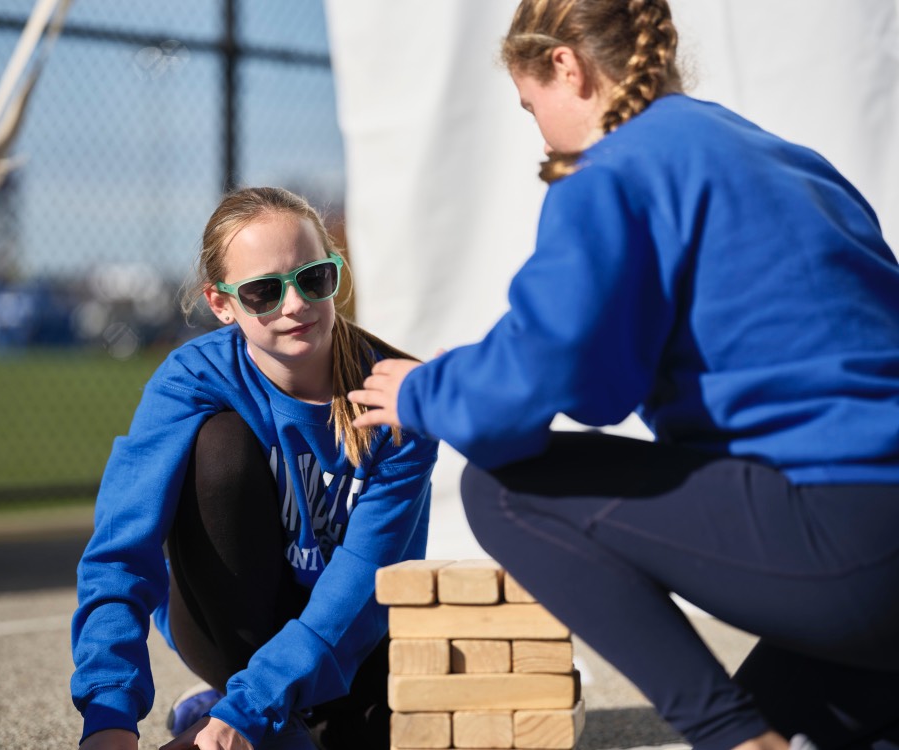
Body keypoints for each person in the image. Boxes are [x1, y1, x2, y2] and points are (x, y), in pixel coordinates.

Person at [347, 1, 899, 749]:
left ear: (566, 67)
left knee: (504, 491)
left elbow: (530, 384)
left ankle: (734, 738)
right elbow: (604, 387)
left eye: (530, 104)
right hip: (873, 564)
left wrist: (424, 390)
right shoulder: (781, 157)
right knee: (795, 711)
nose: (537, 130)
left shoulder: (614, 170)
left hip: (846, 541)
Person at [70, 186, 438, 750]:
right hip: (224, 625)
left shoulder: (396, 396)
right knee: (219, 446)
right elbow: (122, 548)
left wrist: (248, 711)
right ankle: (237, 705)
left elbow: (358, 586)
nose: (294, 305)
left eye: (314, 278)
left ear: (337, 273)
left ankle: (227, 710)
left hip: (350, 637)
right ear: (221, 304)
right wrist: (109, 717)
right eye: (264, 291)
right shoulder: (193, 378)